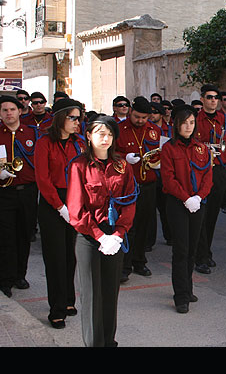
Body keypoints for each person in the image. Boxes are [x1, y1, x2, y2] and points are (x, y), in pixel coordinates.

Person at [67, 116, 137, 346]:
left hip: (114, 237)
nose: (105, 138)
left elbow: (128, 201)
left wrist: (118, 233)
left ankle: (109, 341)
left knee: (109, 294)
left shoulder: (122, 166)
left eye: (109, 134)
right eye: (100, 133)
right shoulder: (79, 166)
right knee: (91, 296)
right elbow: (76, 209)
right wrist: (99, 235)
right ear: (88, 136)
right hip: (89, 236)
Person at [34, 97, 86, 329]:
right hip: (52, 202)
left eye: (79, 118)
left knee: (70, 253)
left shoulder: (80, 143)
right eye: (73, 117)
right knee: (55, 257)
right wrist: (59, 206)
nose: (77, 122)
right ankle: (56, 309)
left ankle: (67, 300)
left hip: (75, 200)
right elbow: (43, 179)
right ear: (60, 118)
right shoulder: (45, 142)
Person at [161, 104, 213, 313]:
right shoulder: (169, 148)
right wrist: (186, 198)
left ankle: (188, 288)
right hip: (177, 203)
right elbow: (168, 179)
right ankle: (180, 295)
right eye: (184, 123)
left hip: (197, 203)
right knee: (181, 250)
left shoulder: (202, 148)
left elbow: (207, 176)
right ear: (176, 124)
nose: (188, 127)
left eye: (192, 122)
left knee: (192, 248)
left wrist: (199, 197)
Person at [115, 97, 161, 282]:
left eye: (144, 117)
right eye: (137, 116)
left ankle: (139, 261)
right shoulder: (119, 129)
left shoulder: (154, 130)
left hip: (148, 184)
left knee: (144, 224)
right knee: (128, 226)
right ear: (131, 112)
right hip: (127, 186)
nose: (140, 121)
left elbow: (160, 151)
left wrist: (159, 163)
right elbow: (109, 152)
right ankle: (124, 265)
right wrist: (124, 157)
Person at [0, 96, 38, 297]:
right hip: (4, 192)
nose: (8, 113)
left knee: (24, 234)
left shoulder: (32, 133)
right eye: (4, 110)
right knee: (6, 237)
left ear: (20, 111)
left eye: (12, 109)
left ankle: (19, 275)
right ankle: (4, 278)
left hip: (28, 192)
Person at [193, 84, 226, 273]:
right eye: (209, 97)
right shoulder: (195, 120)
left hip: (219, 170)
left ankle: (206, 251)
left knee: (213, 215)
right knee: (201, 214)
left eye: (216, 97)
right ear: (202, 99)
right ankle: (199, 256)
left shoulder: (222, 119)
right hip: (201, 171)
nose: (213, 100)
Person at [147, 101, 172, 249]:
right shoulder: (147, 129)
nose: (152, 115)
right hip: (151, 171)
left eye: (155, 112)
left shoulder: (169, 129)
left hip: (165, 172)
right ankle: (149, 241)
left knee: (166, 208)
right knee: (150, 210)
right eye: (150, 112)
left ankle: (169, 236)